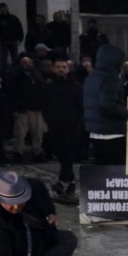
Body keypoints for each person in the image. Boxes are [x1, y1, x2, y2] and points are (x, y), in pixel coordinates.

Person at [83, 44, 128, 165]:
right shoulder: (110, 78)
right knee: (115, 174)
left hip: (95, 132)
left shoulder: (91, 77)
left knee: (102, 173)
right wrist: (126, 112)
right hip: (112, 131)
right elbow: (107, 105)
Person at [42, 56, 83, 198]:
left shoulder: (76, 86)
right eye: (58, 67)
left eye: (63, 67)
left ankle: (61, 182)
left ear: (68, 69)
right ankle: (70, 182)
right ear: (53, 69)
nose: (61, 70)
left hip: (71, 125)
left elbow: (81, 106)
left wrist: (79, 122)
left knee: (68, 154)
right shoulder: (49, 86)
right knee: (59, 153)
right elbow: (45, 105)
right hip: (54, 125)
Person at [7, 53, 47, 162]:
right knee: (20, 134)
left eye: (29, 62)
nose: (27, 64)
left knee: (38, 133)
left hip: (36, 108)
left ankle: (37, 152)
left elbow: (42, 91)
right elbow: (12, 94)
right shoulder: (16, 77)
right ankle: (18, 153)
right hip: (22, 109)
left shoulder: (37, 76)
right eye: (24, 62)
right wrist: (14, 109)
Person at [0, 3, 24, 69]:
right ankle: (3, 73)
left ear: (7, 8)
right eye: (2, 9)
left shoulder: (13, 18)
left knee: (15, 58)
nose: (4, 10)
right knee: (3, 58)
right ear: (0, 9)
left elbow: (19, 28)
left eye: (5, 8)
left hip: (13, 40)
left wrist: (20, 39)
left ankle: (16, 71)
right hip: (3, 41)